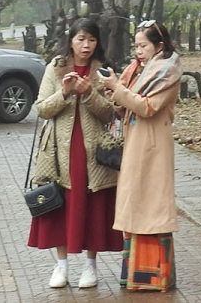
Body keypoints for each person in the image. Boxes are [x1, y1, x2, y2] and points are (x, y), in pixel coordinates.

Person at [28, 17, 122, 289]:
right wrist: (66, 92)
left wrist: (90, 93)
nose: (86, 45)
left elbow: (111, 112)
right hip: (59, 150)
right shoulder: (55, 68)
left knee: (92, 203)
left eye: (91, 40)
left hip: (93, 149)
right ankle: (61, 266)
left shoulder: (103, 70)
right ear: (70, 40)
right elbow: (42, 109)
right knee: (60, 204)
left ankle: (91, 266)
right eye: (81, 39)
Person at [102, 20, 182, 292]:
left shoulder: (167, 71)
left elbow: (147, 107)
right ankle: (135, 275)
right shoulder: (137, 69)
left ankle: (156, 276)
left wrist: (118, 87)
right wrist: (113, 88)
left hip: (152, 145)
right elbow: (125, 104)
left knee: (151, 206)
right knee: (136, 203)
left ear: (159, 46)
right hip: (135, 141)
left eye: (143, 46)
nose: (138, 51)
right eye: (136, 46)